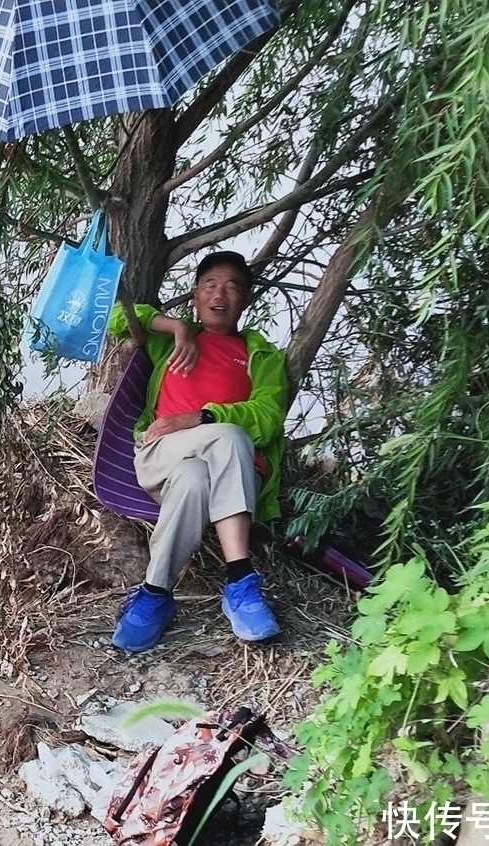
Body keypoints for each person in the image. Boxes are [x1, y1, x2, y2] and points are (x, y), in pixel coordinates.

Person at [104, 251, 287, 652]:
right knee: (228, 437)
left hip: (228, 474)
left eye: (232, 286)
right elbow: (116, 316)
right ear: (195, 294)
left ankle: (155, 593)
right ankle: (240, 579)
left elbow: (268, 416)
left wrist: (198, 417)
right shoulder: (169, 339)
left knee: (199, 472)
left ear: (247, 299)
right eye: (210, 285)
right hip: (160, 455)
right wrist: (176, 328)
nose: (220, 294)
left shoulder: (261, 355)